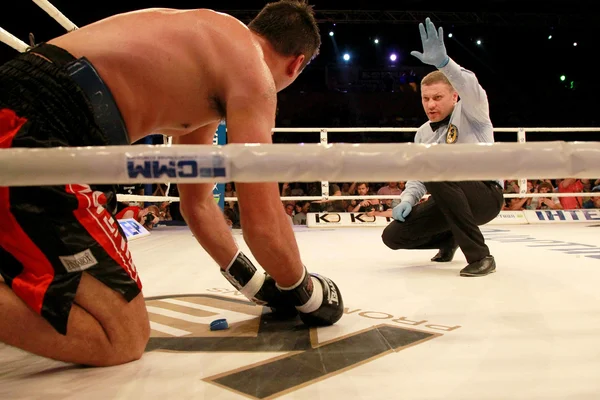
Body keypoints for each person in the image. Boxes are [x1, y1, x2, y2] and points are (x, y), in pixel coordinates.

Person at [0, 1, 343, 368]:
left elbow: (196, 203)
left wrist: (254, 282)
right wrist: (307, 291)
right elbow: (262, 224)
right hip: (39, 122)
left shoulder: (211, 54)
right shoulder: (252, 71)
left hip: (35, 107)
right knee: (121, 336)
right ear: (296, 64)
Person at [370, 18, 503, 277]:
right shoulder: (422, 133)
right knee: (393, 236)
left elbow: (471, 86)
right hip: (450, 199)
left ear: (454, 97)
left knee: (438, 168)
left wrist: (445, 63)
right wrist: (407, 200)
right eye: (426, 98)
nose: (431, 104)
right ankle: (448, 239)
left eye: (438, 97)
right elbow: (418, 178)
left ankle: (481, 256)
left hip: (486, 195)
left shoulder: (473, 113)